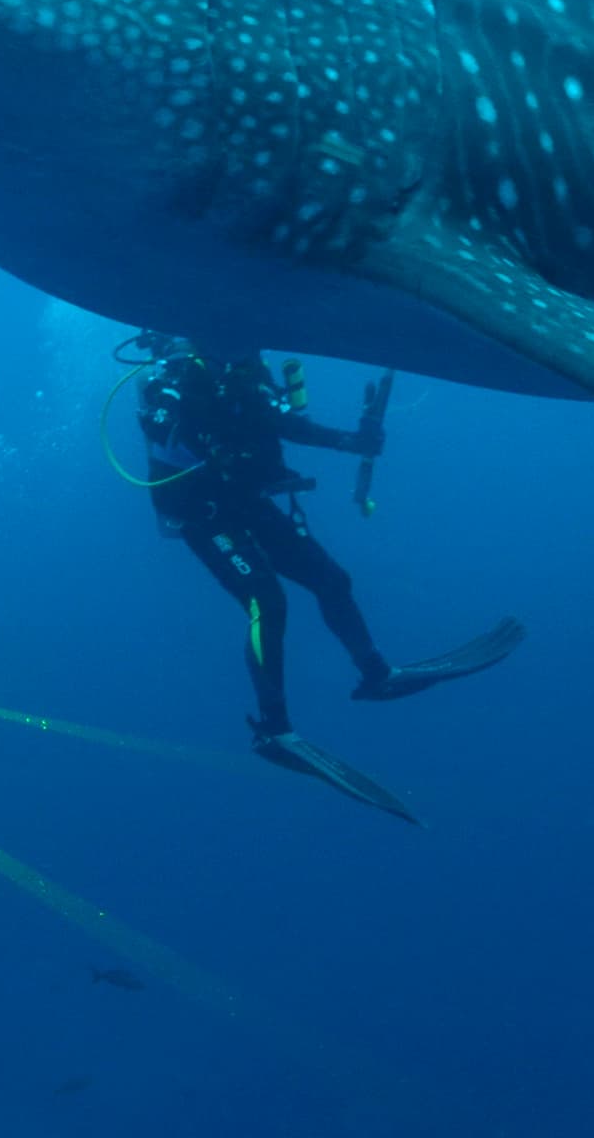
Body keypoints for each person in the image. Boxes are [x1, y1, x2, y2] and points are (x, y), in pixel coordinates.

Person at [128, 333, 524, 821]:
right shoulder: (166, 385)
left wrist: (349, 440)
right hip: (204, 515)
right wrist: (212, 420)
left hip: (249, 503)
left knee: (333, 580)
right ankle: (274, 731)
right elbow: (179, 431)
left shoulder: (247, 369)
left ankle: (376, 675)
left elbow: (283, 422)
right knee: (266, 602)